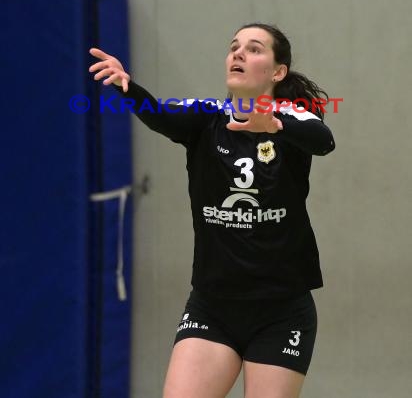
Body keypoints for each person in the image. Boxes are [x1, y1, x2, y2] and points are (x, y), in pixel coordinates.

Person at [89, 23, 335, 398]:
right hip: (212, 307)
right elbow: (158, 114)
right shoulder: (206, 117)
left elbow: (323, 141)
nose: (238, 53)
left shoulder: (293, 119)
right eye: (234, 46)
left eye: (254, 49)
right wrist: (128, 88)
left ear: (277, 71)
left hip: (281, 311)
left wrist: (275, 125)